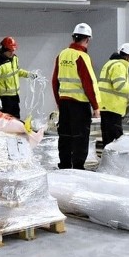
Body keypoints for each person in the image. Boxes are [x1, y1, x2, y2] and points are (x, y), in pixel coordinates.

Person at [52, 22, 101, 169]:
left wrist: (59, 103)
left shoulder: (62, 55)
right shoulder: (82, 57)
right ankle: (78, 167)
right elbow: (89, 84)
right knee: (80, 137)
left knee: (65, 136)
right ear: (87, 39)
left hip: (64, 104)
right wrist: (96, 106)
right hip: (80, 105)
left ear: (74, 37)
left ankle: (65, 166)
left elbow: (55, 82)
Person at [98, 43, 129, 147]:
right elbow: (120, 86)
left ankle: (108, 162)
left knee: (108, 140)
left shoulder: (109, 64)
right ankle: (116, 163)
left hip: (105, 106)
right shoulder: (119, 66)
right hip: (113, 108)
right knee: (117, 141)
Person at [0, 36, 36, 119]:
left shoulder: (14, 59)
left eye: (13, 50)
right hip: (4, 98)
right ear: (4, 50)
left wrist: (28, 74)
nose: (12, 52)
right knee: (5, 121)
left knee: (16, 119)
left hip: (15, 97)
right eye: (10, 50)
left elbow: (17, 72)